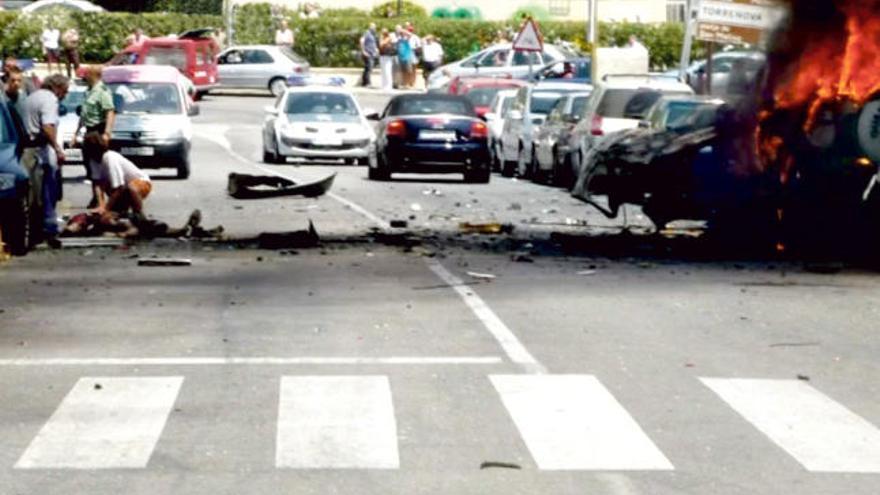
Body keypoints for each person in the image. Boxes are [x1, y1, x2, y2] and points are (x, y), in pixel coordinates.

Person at [24, 74, 69, 248]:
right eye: (65, 91)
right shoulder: (50, 100)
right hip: (39, 150)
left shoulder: (33, 96)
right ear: (57, 88)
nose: (65, 95)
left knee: (34, 194)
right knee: (48, 191)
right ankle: (48, 228)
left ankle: (36, 229)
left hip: (27, 149)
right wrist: (57, 149)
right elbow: (48, 126)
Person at [72, 65, 116, 209]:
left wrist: (107, 133)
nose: (84, 77)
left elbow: (109, 112)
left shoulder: (102, 92)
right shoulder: (89, 92)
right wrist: (76, 133)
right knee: (89, 166)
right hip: (89, 132)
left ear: (94, 75)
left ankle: (105, 199)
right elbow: (84, 116)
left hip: (98, 131)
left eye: (87, 74)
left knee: (99, 167)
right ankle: (96, 197)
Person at [85, 133, 151, 221]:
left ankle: (138, 213)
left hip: (141, 183)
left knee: (131, 187)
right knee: (112, 213)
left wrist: (106, 208)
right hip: (122, 188)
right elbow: (97, 184)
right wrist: (101, 205)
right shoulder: (93, 161)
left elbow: (118, 188)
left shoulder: (110, 158)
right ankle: (122, 210)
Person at [359, 23, 379, 88]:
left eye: (375, 27)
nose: (375, 28)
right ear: (370, 27)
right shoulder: (367, 33)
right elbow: (361, 41)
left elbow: (373, 43)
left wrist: (376, 49)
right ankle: (368, 83)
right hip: (368, 53)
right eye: (373, 27)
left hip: (372, 54)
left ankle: (364, 82)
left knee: (367, 68)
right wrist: (363, 51)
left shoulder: (373, 34)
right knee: (369, 68)